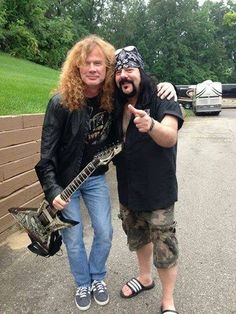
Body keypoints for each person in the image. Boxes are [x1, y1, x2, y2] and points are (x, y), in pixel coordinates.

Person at [35, 35, 177, 312]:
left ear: (107, 69)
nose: (92, 68)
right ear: (77, 67)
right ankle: (83, 283)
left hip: (95, 178)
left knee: (104, 232)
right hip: (65, 184)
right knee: (73, 238)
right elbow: (46, 155)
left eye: (99, 63)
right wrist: (52, 190)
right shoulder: (60, 103)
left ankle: (98, 277)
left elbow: (143, 89)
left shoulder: (112, 99)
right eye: (86, 63)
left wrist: (167, 86)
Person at [113, 46, 184, 314]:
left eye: (129, 69)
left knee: (164, 246)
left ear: (140, 71)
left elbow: (170, 136)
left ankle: (168, 301)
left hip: (158, 192)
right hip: (128, 190)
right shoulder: (116, 104)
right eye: (119, 71)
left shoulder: (162, 97)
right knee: (139, 238)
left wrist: (151, 125)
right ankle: (145, 278)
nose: (123, 75)